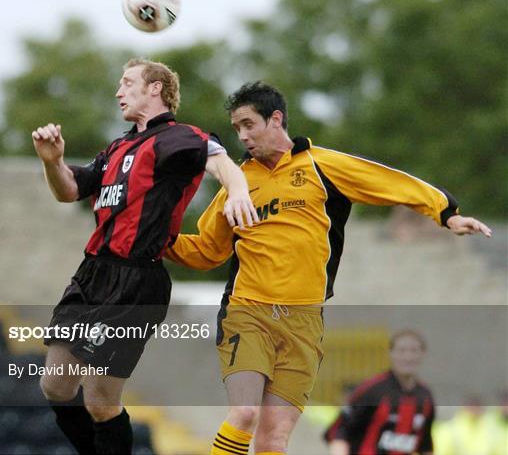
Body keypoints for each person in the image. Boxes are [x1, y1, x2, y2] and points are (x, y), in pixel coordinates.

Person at [165, 81, 492, 455]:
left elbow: (388, 182)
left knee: (273, 439)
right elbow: (207, 250)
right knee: (243, 413)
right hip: (248, 312)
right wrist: (157, 240)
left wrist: (446, 213)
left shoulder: (323, 166)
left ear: (276, 119)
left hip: (305, 320)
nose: (242, 137)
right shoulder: (238, 183)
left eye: (248, 125)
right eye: (236, 129)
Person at [32, 58, 257, 455]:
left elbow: (222, 164)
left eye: (127, 82)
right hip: (91, 274)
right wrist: (52, 162)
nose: (119, 91)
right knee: (55, 385)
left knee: (100, 401)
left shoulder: (178, 138)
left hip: (136, 283)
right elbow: (68, 190)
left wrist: (238, 193)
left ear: (156, 88)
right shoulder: (117, 147)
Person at [324, 330, 435, 455]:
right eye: (402, 351)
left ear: (423, 354)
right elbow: (339, 433)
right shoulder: (372, 390)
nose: (408, 357)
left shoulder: (425, 396)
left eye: (414, 351)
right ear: (390, 353)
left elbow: (425, 444)